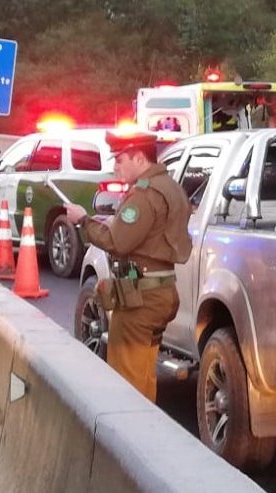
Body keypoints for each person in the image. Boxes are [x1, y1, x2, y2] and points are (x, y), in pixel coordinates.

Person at [64, 130, 192, 402]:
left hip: (140, 300)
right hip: (160, 291)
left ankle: (133, 440)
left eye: (120, 160)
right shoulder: (171, 187)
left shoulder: (145, 195)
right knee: (144, 376)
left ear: (138, 157)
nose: (115, 167)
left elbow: (117, 241)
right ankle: (147, 434)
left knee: (127, 384)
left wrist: (84, 220)